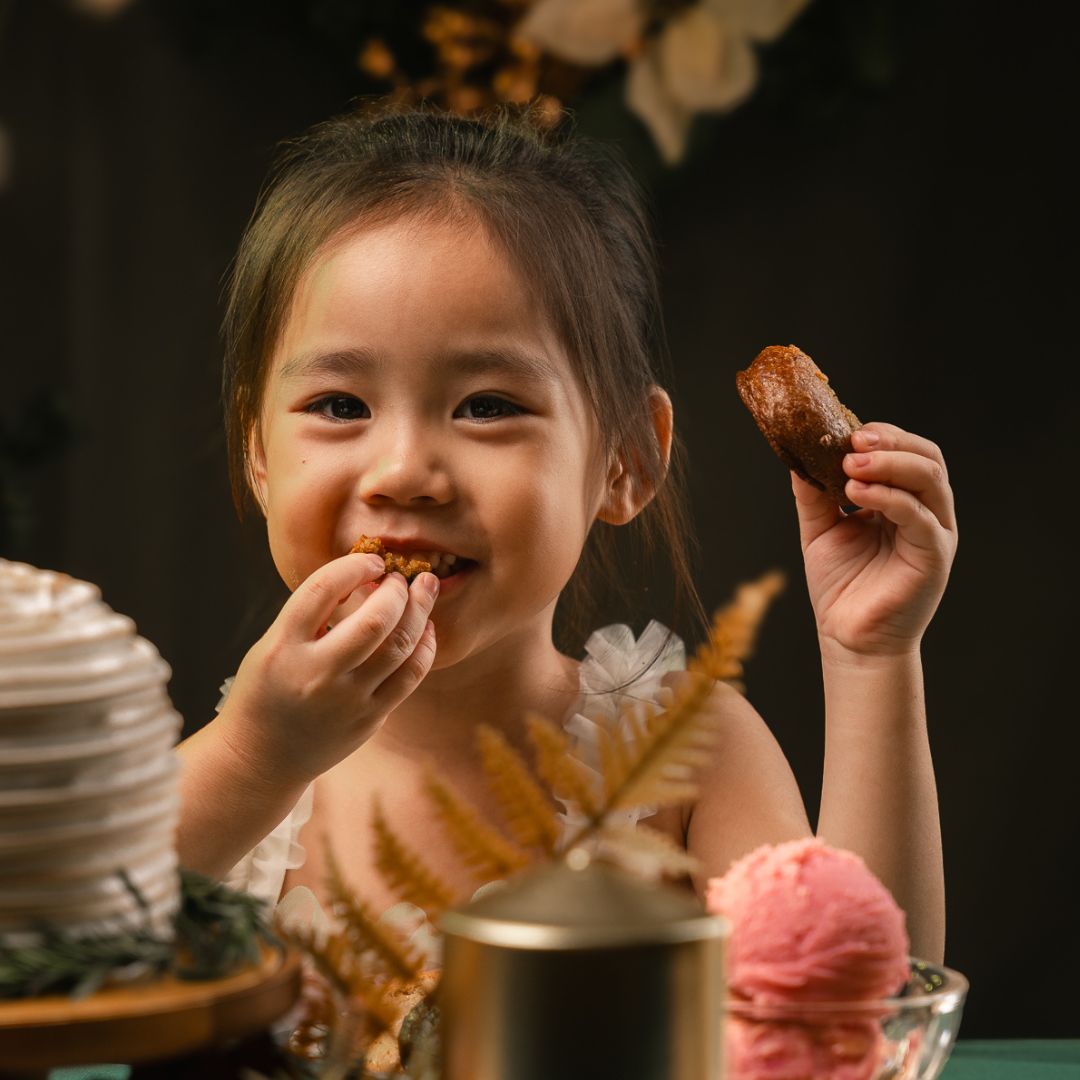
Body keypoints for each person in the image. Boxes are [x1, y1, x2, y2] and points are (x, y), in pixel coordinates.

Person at [176, 102, 957, 963]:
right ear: (257, 453)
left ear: (626, 459)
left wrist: (871, 658)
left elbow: (855, 1011)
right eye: (339, 406)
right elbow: (44, 980)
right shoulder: (223, 779)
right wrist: (253, 757)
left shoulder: (684, 760)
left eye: (488, 407)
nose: (401, 471)